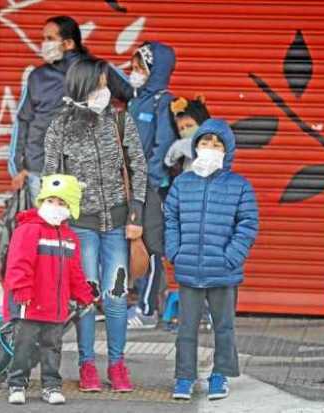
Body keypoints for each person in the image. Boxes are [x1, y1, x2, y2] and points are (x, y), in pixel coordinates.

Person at [43, 58, 148, 392]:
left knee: (116, 296)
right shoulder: (59, 125)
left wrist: (136, 215)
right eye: (99, 85)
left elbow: (138, 168)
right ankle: (87, 365)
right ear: (82, 86)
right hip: (80, 228)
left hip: (118, 226)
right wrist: (55, 218)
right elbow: (50, 175)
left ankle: (117, 366)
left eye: (106, 85)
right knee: (86, 298)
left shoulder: (120, 121)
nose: (105, 91)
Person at [164, 119, 259, 401]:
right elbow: (171, 218)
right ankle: (184, 377)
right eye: (205, 142)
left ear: (227, 151)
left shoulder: (239, 185)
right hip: (189, 268)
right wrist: (175, 252)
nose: (210, 148)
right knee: (186, 328)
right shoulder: (182, 183)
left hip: (223, 270)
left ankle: (220, 375)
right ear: (196, 146)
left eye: (217, 144)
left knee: (224, 326)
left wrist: (232, 256)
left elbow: (248, 223)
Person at [9, 15, 132, 201]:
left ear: (68, 43)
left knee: (79, 229)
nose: (44, 44)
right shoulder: (38, 76)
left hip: (86, 173)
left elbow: (136, 98)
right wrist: (18, 167)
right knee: (45, 228)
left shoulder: (99, 70)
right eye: (43, 39)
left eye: (49, 39)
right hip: (40, 171)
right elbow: (23, 120)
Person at [4, 174, 95, 405]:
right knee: (23, 345)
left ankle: (51, 385)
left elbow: (75, 272)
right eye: (51, 201)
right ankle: (17, 383)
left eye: (62, 203)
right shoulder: (29, 230)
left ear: (71, 208)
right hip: (29, 303)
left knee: (52, 347)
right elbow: (18, 263)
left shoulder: (70, 237)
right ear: (42, 200)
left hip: (56, 306)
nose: (55, 207)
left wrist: (84, 295)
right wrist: (21, 290)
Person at [126, 41, 178, 329]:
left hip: (152, 187)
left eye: (139, 68)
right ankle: (144, 300)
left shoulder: (163, 102)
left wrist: (150, 180)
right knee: (136, 244)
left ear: (154, 70)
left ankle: (147, 310)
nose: (133, 73)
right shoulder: (137, 101)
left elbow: (163, 146)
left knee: (152, 245)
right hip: (131, 184)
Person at [165, 95, 211, 173]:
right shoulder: (186, 154)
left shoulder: (213, 144)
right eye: (181, 129)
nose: (185, 131)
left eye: (189, 126)